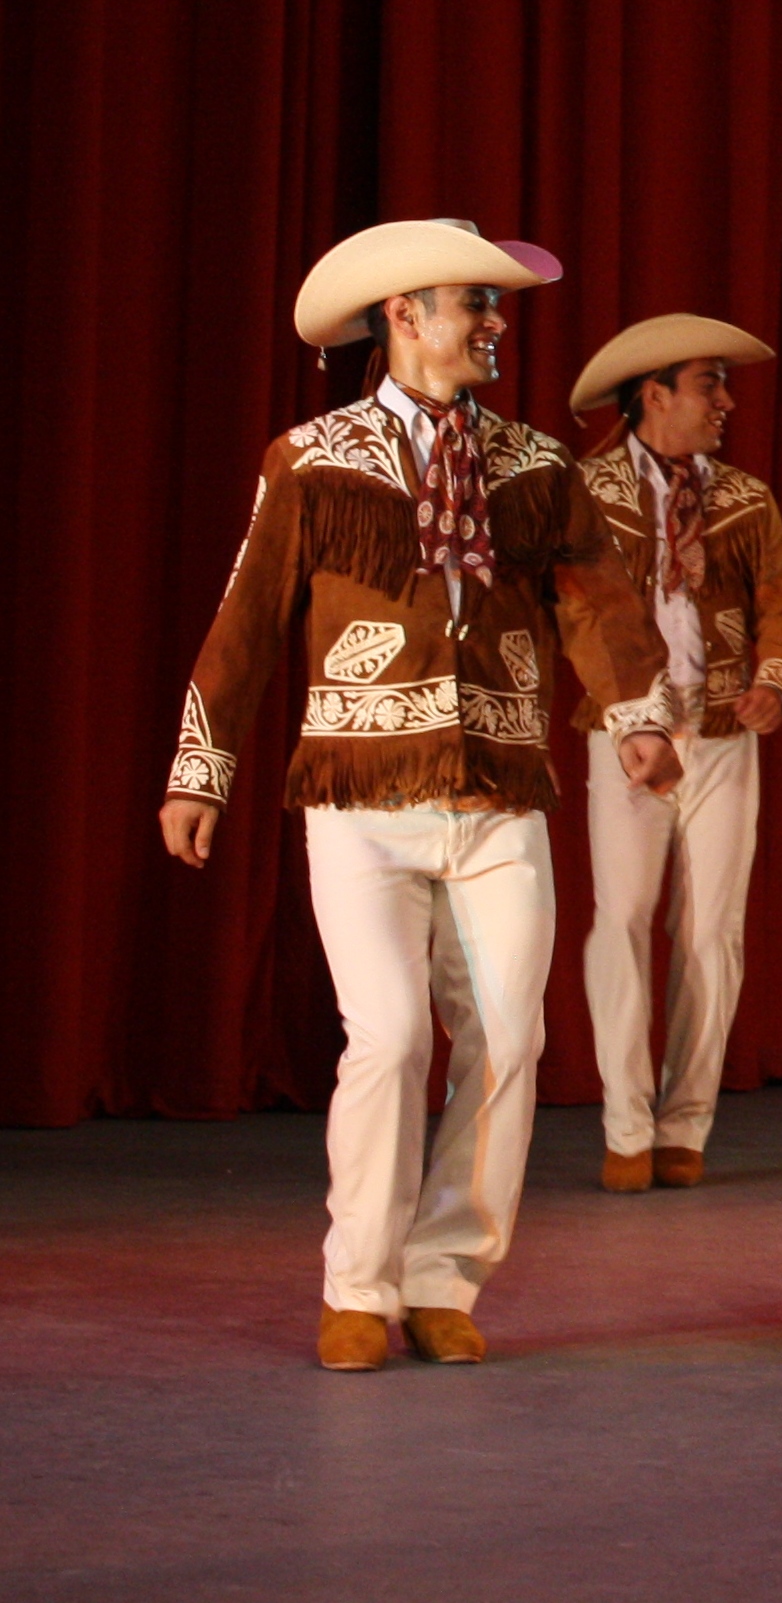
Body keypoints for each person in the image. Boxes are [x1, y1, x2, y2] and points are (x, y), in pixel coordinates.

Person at [159, 219, 679, 1370]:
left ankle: (446, 1273)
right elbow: (250, 616)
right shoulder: (316, 456)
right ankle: (357, 1279)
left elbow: (595, 599)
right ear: (404, 314)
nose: (494, 326)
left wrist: (636, 719)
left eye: (494, 308)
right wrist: (203, 768)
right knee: (389, 1035)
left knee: (508, 1035)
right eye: (471, 305)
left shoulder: (533, 463)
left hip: (497, 787)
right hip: (362, 791)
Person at [567, 315, 782, 1193]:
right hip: (624, 731)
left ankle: (686, 1122)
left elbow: (780, 600)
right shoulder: (586, 490)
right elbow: (577, 609)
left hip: (720, 735)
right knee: (623, 916)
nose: (726, 402)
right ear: (654, 393)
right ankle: (627, 1123)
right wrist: (631, 717)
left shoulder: (743, 497)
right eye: (710, 383)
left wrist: (775, 681)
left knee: (712, 930)